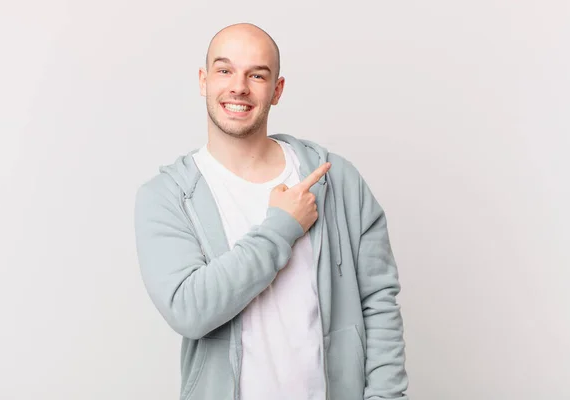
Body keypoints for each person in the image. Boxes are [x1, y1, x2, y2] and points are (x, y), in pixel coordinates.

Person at [134, 22, 409, 400]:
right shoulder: (167, 196)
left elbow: (378, 301)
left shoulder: (336, 179)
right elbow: (189, 310)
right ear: (203, 80)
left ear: (277, 90)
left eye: (257, 75)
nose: (239, 87)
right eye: (225, 69)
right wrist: (281, 227)